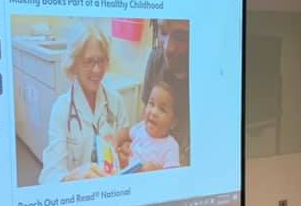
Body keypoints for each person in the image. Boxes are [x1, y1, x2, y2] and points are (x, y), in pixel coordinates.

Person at [38, 25, 131, 184]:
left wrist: (125, 154)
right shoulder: (62, 109)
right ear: (74, 64)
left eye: (101, 60)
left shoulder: (116, 101)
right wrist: (72, 176)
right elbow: (48, 177)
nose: (97, 69)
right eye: (89, 61)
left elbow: (125, 137)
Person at [141, 19, 189, 164]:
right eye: (162, 31)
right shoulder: (156, 60)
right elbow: (143, 122)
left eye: (181, 37)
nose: (168, 48)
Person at [115, 81, 181, 172]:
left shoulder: (171, 147)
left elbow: (173, 176)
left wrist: (155, 170)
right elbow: (126, 133)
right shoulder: (141, 127)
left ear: (173, 122)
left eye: (162, 109)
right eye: (151, 104)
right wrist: (114, 143)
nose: (153, 112)